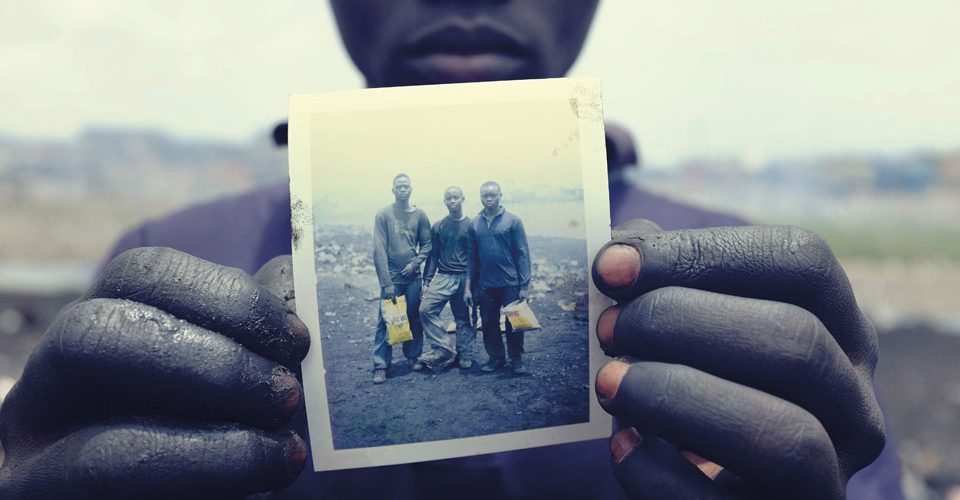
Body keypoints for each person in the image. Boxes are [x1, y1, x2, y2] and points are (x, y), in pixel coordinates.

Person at [0, 1, 904, 498]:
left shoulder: (757, 294)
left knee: (496, 341)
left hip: (487, 291)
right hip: (428, 288)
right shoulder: (175, 258)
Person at [464, 181, 531, 375]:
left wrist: (524, 284)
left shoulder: (513, 221)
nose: (489, 198)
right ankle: (496, 358)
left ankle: (516, 359)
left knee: (515, 323)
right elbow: (472, 258)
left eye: (493, 194)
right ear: (480, 197)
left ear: (500, 195)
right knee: (488, 323)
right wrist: (469, 287)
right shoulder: (474, 224)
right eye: (485, 195)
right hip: (486, 285)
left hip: (510, 283)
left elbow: (522, 253)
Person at [372, 173, 432, 384]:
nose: (403, 189)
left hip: (413, 277)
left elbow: (427, 244)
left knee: (414, 317)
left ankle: (413, 356)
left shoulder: (420, 215)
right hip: (393, 279)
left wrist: (414, 264)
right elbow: (378, 250)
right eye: (399, 186)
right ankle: (380, 365)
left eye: (406, 186)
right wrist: (386, 282)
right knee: (386, 319)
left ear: (411, 189)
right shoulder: (384, 215)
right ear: (393, 190)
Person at [418, 186, 475, 371]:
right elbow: (433, 256)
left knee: (463, 317)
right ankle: (443, 348)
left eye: (455, 198)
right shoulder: (438, 226)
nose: (452, 201)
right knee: (425, 309)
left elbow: (474, 259)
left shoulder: (472, 226)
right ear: (444, 201)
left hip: (464, 278)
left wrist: (470, 285)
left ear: (462, 199)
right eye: (448, 198)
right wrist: (426, 282)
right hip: (444, 276)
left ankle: (465, 353)